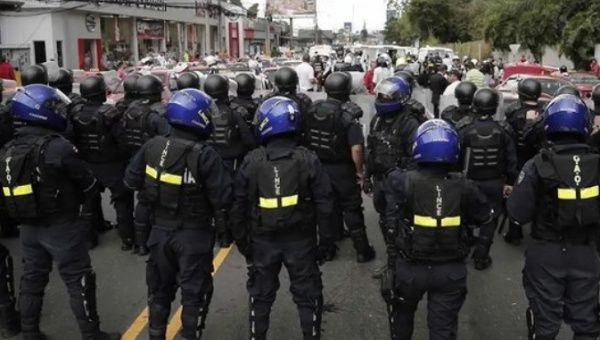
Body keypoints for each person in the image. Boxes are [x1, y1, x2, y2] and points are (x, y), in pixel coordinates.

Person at [0, 84, 120, 339]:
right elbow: (88, 184)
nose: (59, 111)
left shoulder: (8, 149)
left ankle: (30, 332)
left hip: (28, 228)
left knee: (32, 280)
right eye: (53, 107)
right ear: (40, 112)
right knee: (80, 281)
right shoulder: (58, 146)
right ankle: (91, 334)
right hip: (62, 226)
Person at [124, 88, 231, 340]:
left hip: (159, 232)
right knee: (195, 292)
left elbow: (131, 180)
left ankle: (156, 335)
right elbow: (224, 198)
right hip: (193, 234)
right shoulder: (205, 155)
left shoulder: (152, 146)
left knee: (159, 290)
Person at [230, 96, 334, 340]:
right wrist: (325, 244)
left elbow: (238, 206)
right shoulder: (308, 158)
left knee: (260, 295)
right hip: (301, 240)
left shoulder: (252, 160)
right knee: (308, 295)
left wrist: (244, 245)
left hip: (262, 241)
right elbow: (326, 204)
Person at [381, 119, 494, 340]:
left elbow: (383, 209)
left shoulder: (401, 181)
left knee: (402, 317)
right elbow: (485, 216)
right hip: (450, 270)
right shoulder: (465, 186)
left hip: (410, 268)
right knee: (443, 328)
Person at [507, 94, 600, 340]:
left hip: (547, 253)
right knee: (587, 325)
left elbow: (517, 213)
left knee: (546, 325)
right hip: (587, 253)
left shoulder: (536, 165)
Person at [304, 72, 376, 262]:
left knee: (325, 207)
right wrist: (360, 171)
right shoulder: (347, 114)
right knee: (351, 207)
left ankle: (327, 249)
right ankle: (362, 251)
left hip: (318, 167)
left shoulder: (313, 109)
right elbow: (357, 148)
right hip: (342, 169)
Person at [456, 88, 518, 269]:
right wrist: (510, 182)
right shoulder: (503, 130)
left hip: (469, 182)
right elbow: (511, 159)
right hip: (494, 183)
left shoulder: (464, 128)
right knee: (490, 219)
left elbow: (456, 157)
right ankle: (481, 257)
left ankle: (464, 247)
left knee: (464, 215)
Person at [364, 76, 421, 273]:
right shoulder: (377, 120)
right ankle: (394, 260)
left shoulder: (409, 123)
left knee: (396, 223)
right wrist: (366, 176)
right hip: (380, 179)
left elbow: (415, 157)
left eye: (388, 96)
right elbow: (370, 149)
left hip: (399, 181)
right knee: (384, 220)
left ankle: (396, 265)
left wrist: (406, 183)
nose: (382, 99)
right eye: (381, 95)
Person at [71, 75, 134, 252]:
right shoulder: (109, 113)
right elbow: (123, 140)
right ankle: (127, 239)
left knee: (89, 201)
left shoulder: (75, 113)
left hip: (88, 163)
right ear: (101, 93)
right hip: (112, 164)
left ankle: (90, 237)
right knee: (122, 202)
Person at [120, 74, 171, 255]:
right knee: (152, 200)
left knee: (142, 201)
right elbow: (168, 138)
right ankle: (148, 241)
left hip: (134, 159)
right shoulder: (156, 115)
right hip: (153, 162)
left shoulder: (130, 110)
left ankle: (139, 243)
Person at [203, 74, 255, 247]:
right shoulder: (235, 112)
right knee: (235, 198)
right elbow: (248, 140)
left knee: (215, 198)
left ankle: (223, 235)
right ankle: (235, 233)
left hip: (208, 161)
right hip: (232, 162)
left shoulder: (201, 112)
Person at [503, 78, 544, 245]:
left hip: (517, 161)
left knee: (514, 195)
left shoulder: (512, 112)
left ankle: (514, 232)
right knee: (540, 195)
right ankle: (538, 230)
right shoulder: (544, 113)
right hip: (539, 161)